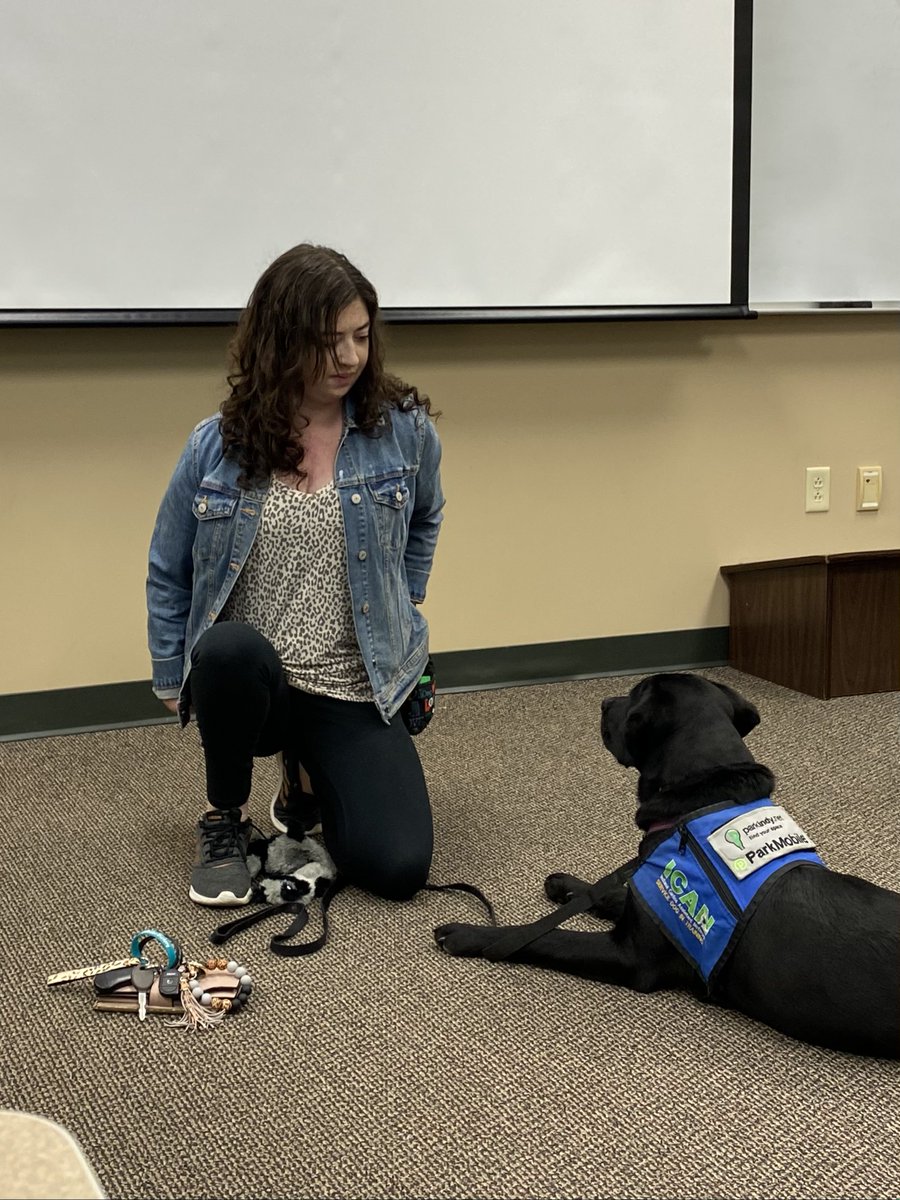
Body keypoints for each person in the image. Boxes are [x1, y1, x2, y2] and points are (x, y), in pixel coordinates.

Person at [146, 244, 444, 907]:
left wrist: (406, 600)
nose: (348, 357)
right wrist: (171, 670)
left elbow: (426, 515)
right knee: (225, 649)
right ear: (280, 342)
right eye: (327, 341)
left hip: (352, 681)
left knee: (397, 869)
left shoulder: (403, 434)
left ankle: (303, 785)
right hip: (259, 684)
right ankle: (224, 816)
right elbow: (169, 566)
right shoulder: (215, 445)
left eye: (360, 337)